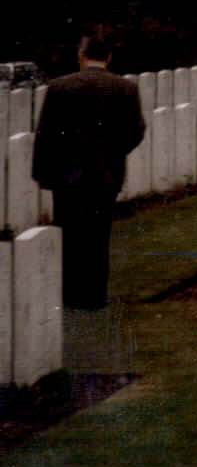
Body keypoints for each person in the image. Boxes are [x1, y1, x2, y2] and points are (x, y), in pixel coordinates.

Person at [32, 32, 146, 310]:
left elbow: (45, 134)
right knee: (97, 236)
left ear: (81, 57)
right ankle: (95, 296)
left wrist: (43, 174)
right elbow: (136, 131)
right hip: (105, 175)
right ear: (109, 57)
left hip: (67, 176)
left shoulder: (60, 87)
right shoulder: (125, 88)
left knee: (70, 236)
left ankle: (70, 296)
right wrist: (112, 154)